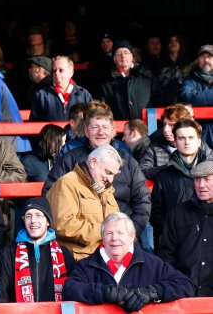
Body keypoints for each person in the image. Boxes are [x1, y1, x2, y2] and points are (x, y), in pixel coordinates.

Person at [43, 107, 151, 239]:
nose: (101, 132)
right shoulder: (70, 159)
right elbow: (50, 194)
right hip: (81, 239)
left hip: (123, 235)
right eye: (95, 127)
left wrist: (131, 233)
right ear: (86, 132)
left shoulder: (127, 160)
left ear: (113, 131)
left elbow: (143, 200)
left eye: (105, 127)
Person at [62, 212, 194, 312]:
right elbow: (69, 290)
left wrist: (151, 292)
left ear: (132, 236)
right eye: (109, 233)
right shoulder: (87, 265)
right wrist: (106, 293)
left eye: (120, 233)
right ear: (102, 237)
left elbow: (185, 284)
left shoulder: (152, 263)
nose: (114, 238)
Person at [47, 145, 122, 260]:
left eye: (113, 175)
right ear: (93, 162)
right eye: (108, 172)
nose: (111, 180)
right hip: (77, 262)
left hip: (103, 259)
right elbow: (62, 225)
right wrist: (104, 231)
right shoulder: (67, 183)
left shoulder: (106, 189)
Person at [0, 197, 75, 302]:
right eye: (28, 216)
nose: (33, 221)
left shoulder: (64, 254)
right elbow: (1, 297)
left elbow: (73, 293)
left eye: (38, 215)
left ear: (48, 221)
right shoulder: (8, 254)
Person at [152, 120, 212, 250]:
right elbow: (156, 213)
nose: (187, 142)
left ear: (199, 140)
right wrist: (172, 232)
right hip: (175, 244)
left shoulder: (212, 172)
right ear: (174, 142)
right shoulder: (163, 176)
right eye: (181, 138)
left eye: (191, 137)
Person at [159, 161, 213, 296]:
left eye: (207, 179)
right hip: (183, 293)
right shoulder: (177, 213)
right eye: (197, 180)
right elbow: (167, 255)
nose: (201, 185)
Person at [97, 39, 162, 119]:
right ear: (114, 59)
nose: (123, 56)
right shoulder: (106, 84)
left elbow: (159, 104)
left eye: (126, 52)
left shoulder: (148, 79)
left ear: (132, 57)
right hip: (119, 129)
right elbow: (103, 111)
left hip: (147, 128)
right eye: (118, 53)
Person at [139, 103, 193, 180]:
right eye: (164, 124)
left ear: (184, 126)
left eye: (171, 125)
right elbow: (143, 171)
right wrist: (169, 169)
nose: (166, 130)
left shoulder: (200, 146)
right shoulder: (153, 146)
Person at [29, 56, 92, 121]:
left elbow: (91, 121)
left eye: (61, 70)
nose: (56, 73)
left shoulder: (84, 95)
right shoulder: (41, 95)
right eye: (54, 70)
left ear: (71, 72)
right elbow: (34, 123)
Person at [180, 44, 213, 147]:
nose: (206, 60)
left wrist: (197, 96)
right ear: (198, 60)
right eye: (202, 57)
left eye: (209, 57)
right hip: (199, 130)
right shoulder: (190, 79)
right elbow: (185, 96)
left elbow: (192, 97)